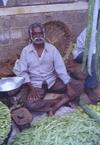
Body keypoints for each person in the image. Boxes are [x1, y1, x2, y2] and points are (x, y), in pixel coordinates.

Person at [14, 23, 83, 115]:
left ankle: (54, 107)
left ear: (44, 34)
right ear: (31, 36)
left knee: (79, 86)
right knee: (30, 104)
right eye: (35, 34)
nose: (38, 36)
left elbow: (61, 69)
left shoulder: (52, 49)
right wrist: (31, 88)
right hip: (36, 84)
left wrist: (68, 86)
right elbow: (23, 72)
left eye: (40, 34)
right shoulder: (26, 51)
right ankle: (60, 100)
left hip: (52, 82)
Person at [72, 28, 98, 103]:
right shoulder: (92, 30)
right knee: (93, 58)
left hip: (94, 52)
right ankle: (89, 87)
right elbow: (92, 51)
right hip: (81, 53)